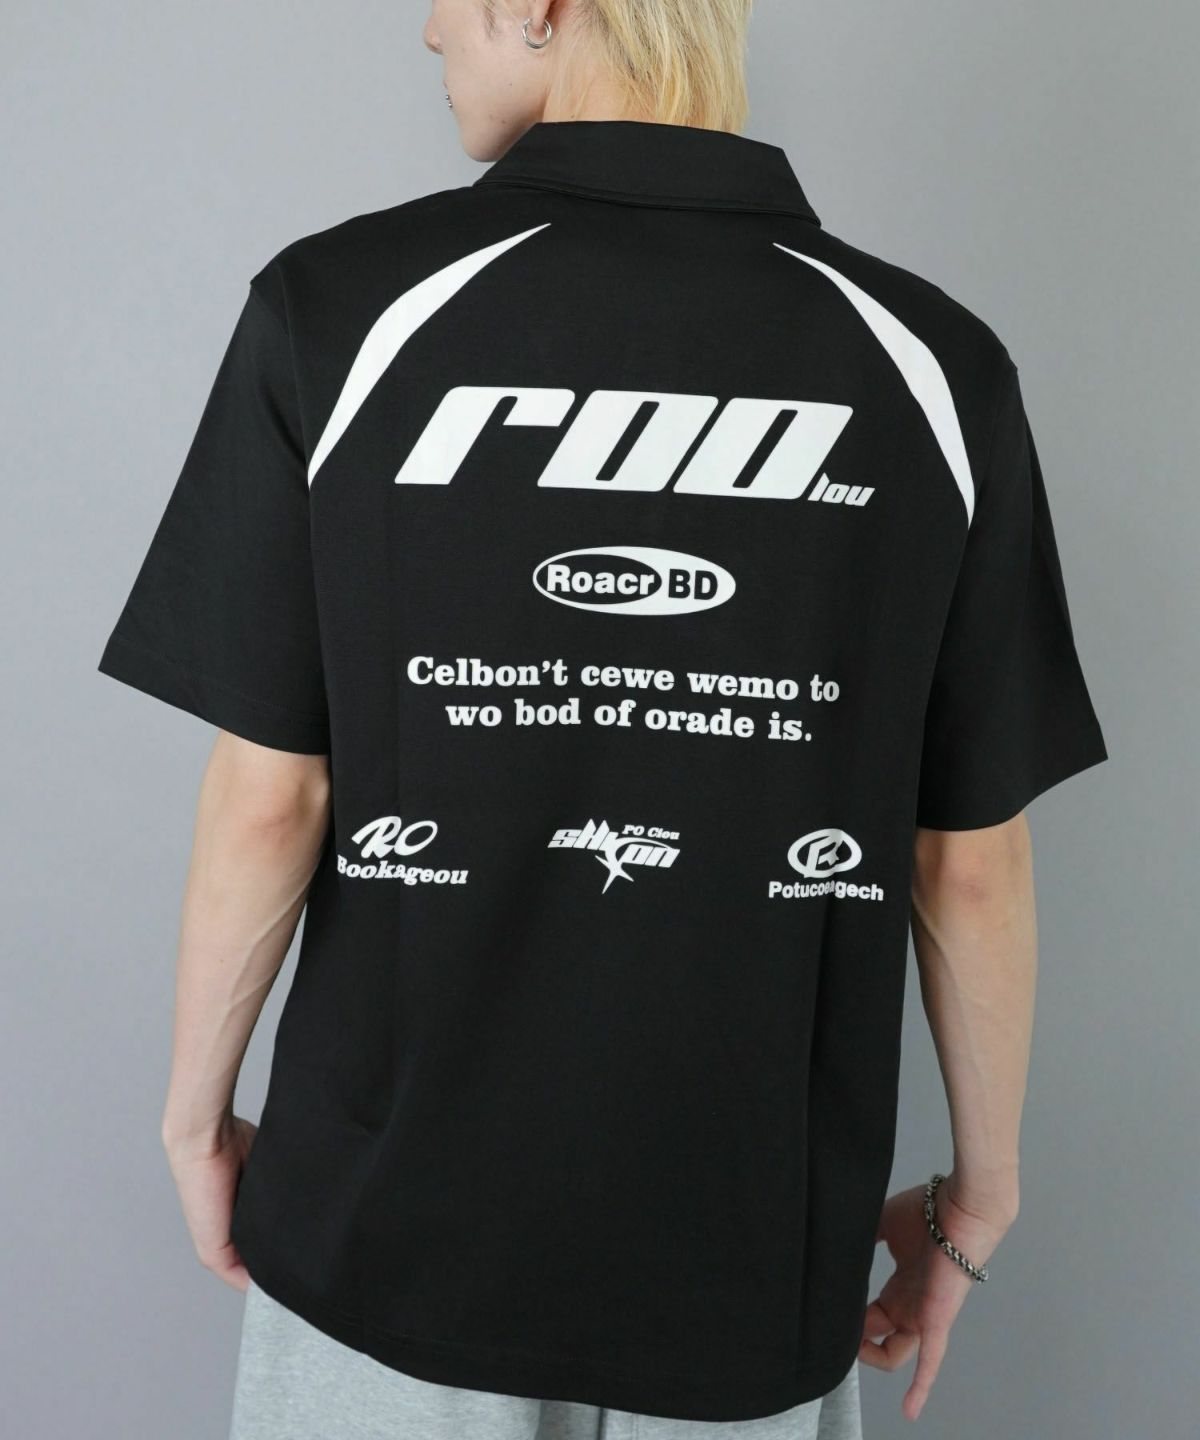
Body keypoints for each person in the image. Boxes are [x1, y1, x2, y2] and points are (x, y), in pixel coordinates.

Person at [96, 1, 1109, 1436]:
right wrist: (978, 1198)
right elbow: (970, 857)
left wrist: (196, 1120)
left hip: (386, 1242)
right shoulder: (934, 367)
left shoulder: (340, 310)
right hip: (749, 1265)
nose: (428, 30)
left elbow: (273, 796)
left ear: (539, 3)